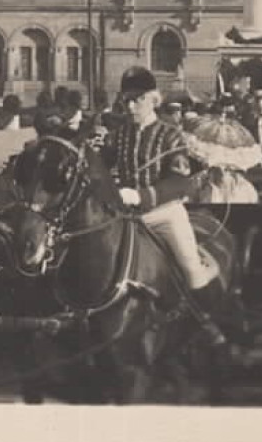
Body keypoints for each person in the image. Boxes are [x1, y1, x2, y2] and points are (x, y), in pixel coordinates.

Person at [97, 67, 238, 345]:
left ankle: (207, 323)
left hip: (164, 214)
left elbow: (179, 183)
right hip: (127, 218)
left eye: (137, 99)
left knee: (192, 270)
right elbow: (102, 167)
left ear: (153, 99)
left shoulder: (171, 135)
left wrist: (141, 196)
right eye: (126, 99)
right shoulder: (119, 134)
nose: (130, 105)